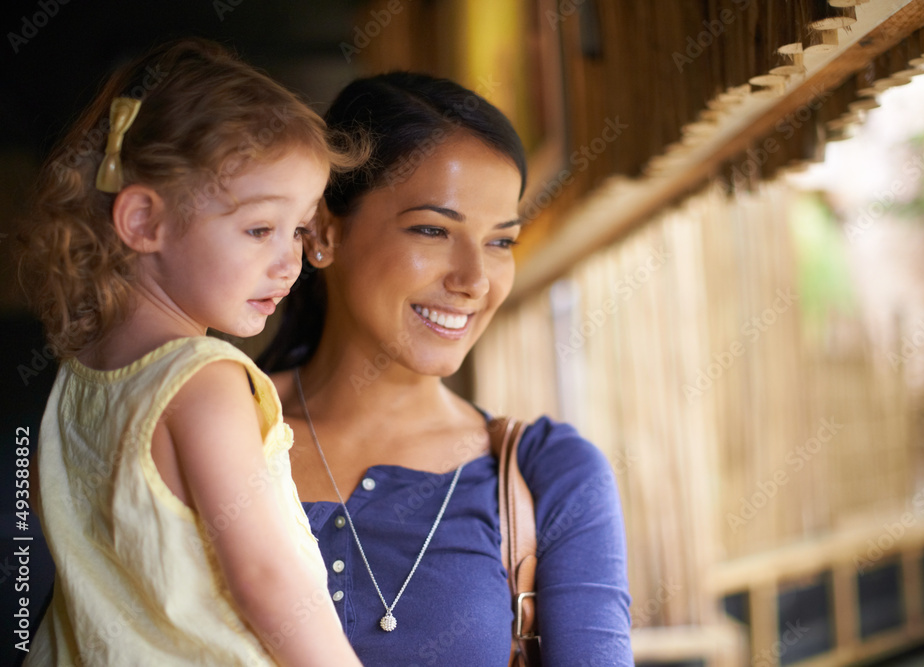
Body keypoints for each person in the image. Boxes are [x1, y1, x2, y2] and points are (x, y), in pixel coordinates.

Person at [260, 71, 634, 665]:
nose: (474, 281)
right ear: (325, 231)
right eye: (434, 230)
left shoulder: (548, 476)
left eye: (500, 242)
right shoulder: (212, 431)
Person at [20, 38, 363, 666]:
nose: (291, 261)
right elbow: (266, 580)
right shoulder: (204, 380)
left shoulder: (77, 380)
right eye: (260, 228)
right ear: (145, 221)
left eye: (299, 229)